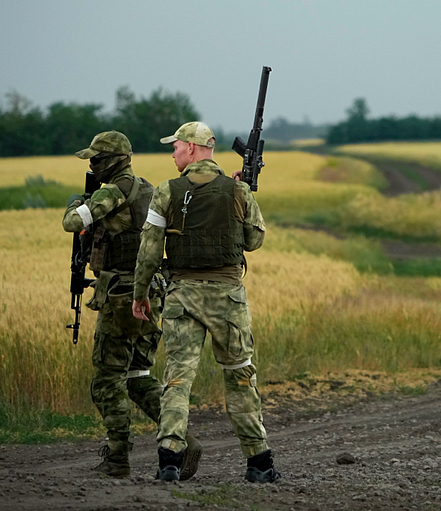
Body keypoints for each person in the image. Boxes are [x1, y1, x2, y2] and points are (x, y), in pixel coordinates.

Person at [130, 122, 279, 483]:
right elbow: (253, 241)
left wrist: (140, 294)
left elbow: (149, 249)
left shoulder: (167, 190)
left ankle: (169, 460)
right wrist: (240, 191)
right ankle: (259, 464)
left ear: (193, 149)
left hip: (182, 298)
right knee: (240, 376)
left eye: (177, 147)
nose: (173, 153)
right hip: (228, 299)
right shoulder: (236, 189)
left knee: (177, 379)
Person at [61, 130, 182, 477]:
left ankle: (117, 458)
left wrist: (76, 201)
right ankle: (181, 437)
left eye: (96, 160)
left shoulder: (113, 192)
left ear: (112, 161)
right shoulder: (148, 188)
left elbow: (72, 222)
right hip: (151, 292)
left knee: (106, 379)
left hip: (120, 297)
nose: (93, 166)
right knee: (137, 375)